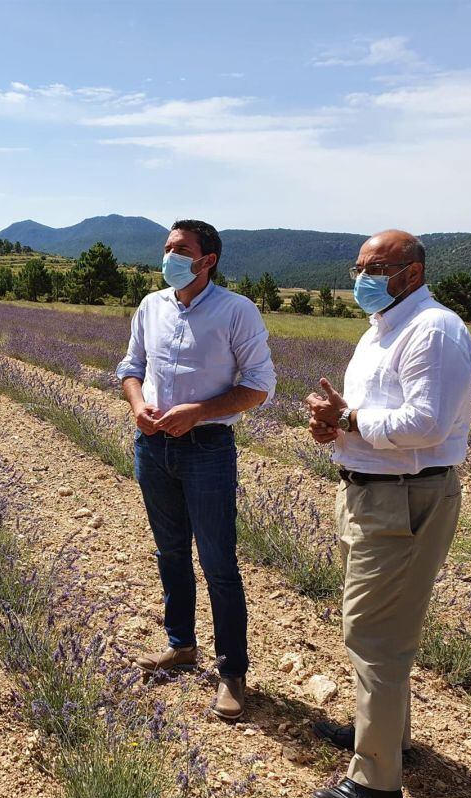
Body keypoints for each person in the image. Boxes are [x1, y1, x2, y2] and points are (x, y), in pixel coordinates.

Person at [304, 230, 471, 798]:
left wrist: (348, 419)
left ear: (413, 272)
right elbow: (369, 415)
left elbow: (426, 423)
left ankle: (377, 783)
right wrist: (332, 425)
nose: (362, 277)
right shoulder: (381, 331)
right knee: (379, 626)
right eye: (358, 266)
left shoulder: (435, 330)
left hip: (404, 499)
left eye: (375, 267)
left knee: (375, 633)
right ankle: (381, 737)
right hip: (370, 494)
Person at [117, 219, 276, 721]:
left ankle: (232, 671)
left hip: (207, 449)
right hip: (153, 446)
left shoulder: (236, 311)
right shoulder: (151, 305)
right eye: (167, 247)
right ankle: (182, 645)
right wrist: (137, 404)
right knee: (170, 552)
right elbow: (131, 365)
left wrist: (199, 412)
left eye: (180, 249)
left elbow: (259, 386)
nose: (169, 256)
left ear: (207, 260)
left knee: (218, 563)